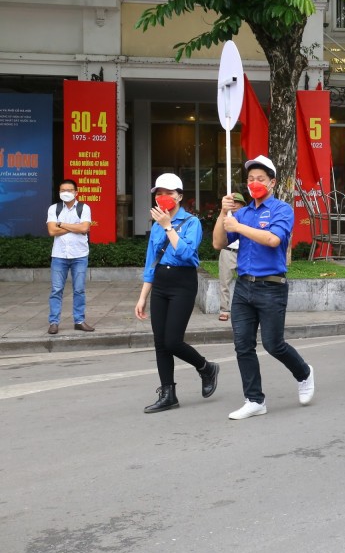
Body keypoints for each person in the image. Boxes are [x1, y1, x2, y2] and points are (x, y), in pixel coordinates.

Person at [213, 155, 315, 420]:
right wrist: (224, 213)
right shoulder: (241, 213)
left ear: (272, 182)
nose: (254, 183)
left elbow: (272, 240)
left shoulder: (282, 210)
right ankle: (254, 399)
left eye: (260, 179)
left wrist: (239, 225)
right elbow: (218, 242)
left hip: (271, 287)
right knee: (242, 345)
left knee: (273, 344)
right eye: (250, 179)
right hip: (244, 287)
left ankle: (303, 372)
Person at [134, 173, 219, 413]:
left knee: (173, 340)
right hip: (160, 283)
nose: (163, 198)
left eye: (169, 193)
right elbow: (152, 262)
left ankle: (206, 367)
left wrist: (168, 227)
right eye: (159, 194)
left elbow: (186, 254)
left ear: (180, 196)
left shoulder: (192, 222)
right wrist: (143, 296)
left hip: (183, 283)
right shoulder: (156, 225)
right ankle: (168, 393)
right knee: (160, 342)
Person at [46, 179, 94, 334]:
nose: (65, 193)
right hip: (59, 255)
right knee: (56, 289)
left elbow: (85, 228)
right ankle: (54, 322)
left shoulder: (84, 208)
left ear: (76, 192)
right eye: (62, 190)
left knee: (79, 289)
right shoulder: (54, 208)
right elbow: (52, 231)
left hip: (79, 255)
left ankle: (79, 320)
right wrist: (75, 227)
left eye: (69, 190)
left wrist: (61, 224)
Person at [217, 192, 246, 322]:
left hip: (243, 252)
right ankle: (224, 310)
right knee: (224, 282)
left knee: (246, 282)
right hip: (228, 251)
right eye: (231, 202)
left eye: (237, 202)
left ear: (242, 204)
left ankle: (244, 310)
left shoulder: (247, 217)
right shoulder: (225, 217)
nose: (234, 205)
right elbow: (218, 239)